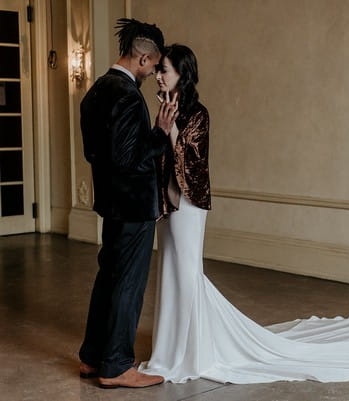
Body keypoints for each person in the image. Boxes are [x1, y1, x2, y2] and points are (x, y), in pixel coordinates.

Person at [139, 44, 349, 385]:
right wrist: (162, 127)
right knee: (170, 269)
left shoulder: (199, 113)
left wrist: (168, 129)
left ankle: (192, 354)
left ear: (182, 75)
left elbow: (193, 164)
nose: (158, 75)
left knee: (186, 273)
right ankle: (170, 351)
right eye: (158, 70)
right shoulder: (167, 108)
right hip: (166, 203)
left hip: (188, 202)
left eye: (164, 69)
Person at [78, 18, 179, 389]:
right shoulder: (125, 94)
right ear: (143, 58)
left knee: (109, 277)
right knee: (128, 283)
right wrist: (159, 133)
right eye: (153, 65)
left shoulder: (95, 91)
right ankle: (117, 365)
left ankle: (92, 356)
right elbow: (128, 158)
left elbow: (95, 153)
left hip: (110, 203)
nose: (154, 73)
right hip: (133, 206)